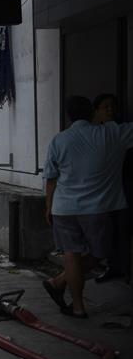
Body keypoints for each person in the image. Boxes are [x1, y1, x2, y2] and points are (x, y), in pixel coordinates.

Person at [42, 96, 133, 318]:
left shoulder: (59, 140)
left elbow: (51, 178)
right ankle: (59, 282)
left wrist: (48, 206)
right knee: (100, 253)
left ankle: (77, 305)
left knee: (71, 257)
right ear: (94, 112)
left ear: (68, 115)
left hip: (63, 208)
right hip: (96, 209)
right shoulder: (112, 134)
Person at [91, 93, 132, 284]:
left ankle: (122, 268)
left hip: (121, 188)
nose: (110, 110)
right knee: (107, 233)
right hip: (99, 193)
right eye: (105, 106)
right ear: (96, 110)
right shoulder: (90, 134)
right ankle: (113, 266)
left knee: (121, 229)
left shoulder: (119, 131)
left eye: (112, 106)